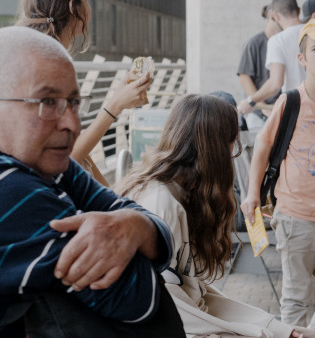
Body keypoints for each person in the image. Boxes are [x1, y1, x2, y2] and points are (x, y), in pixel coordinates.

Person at [0, 26, 181, 336]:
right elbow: (140, 299)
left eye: (73, 102)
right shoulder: (10, 187)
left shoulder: (51, 165)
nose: (72, 123)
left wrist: (135, 226)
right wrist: (142, 233)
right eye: (47, 102)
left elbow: (154, 231)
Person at [118, 95, 315, 338]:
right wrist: (256, 332)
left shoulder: (185, 193)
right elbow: (163, 304)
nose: (233, 153)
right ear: (215, 149)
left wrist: (274, 328)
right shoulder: (161, 202)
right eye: (232, 143)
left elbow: (194, 291)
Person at [241, 19, 315, 332]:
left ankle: (308, 334)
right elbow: (263, 147)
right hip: (295, 217)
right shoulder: (290, 100)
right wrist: (252, 193)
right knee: (296, 297)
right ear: (302, 59)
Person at [16, 0, 152, 187]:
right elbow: (67, 156)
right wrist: (115, 106)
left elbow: (73, 145)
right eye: (85, 0)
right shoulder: (48, 61)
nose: (89, 9)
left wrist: (113, 197)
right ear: (73, 7)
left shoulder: (33, 54)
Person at [237, 0, 315, 116]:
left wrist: (251, 101)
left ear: (275, 16)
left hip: (297, 113)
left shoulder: (278, 40)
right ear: (299, 10)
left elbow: (275, 83)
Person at [238, 4, 283, 130]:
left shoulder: (282, 42)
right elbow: (244, 77)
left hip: (279, 110)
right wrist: (262, 106)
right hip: (258, 113)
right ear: (272, 16)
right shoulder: (254, 43)